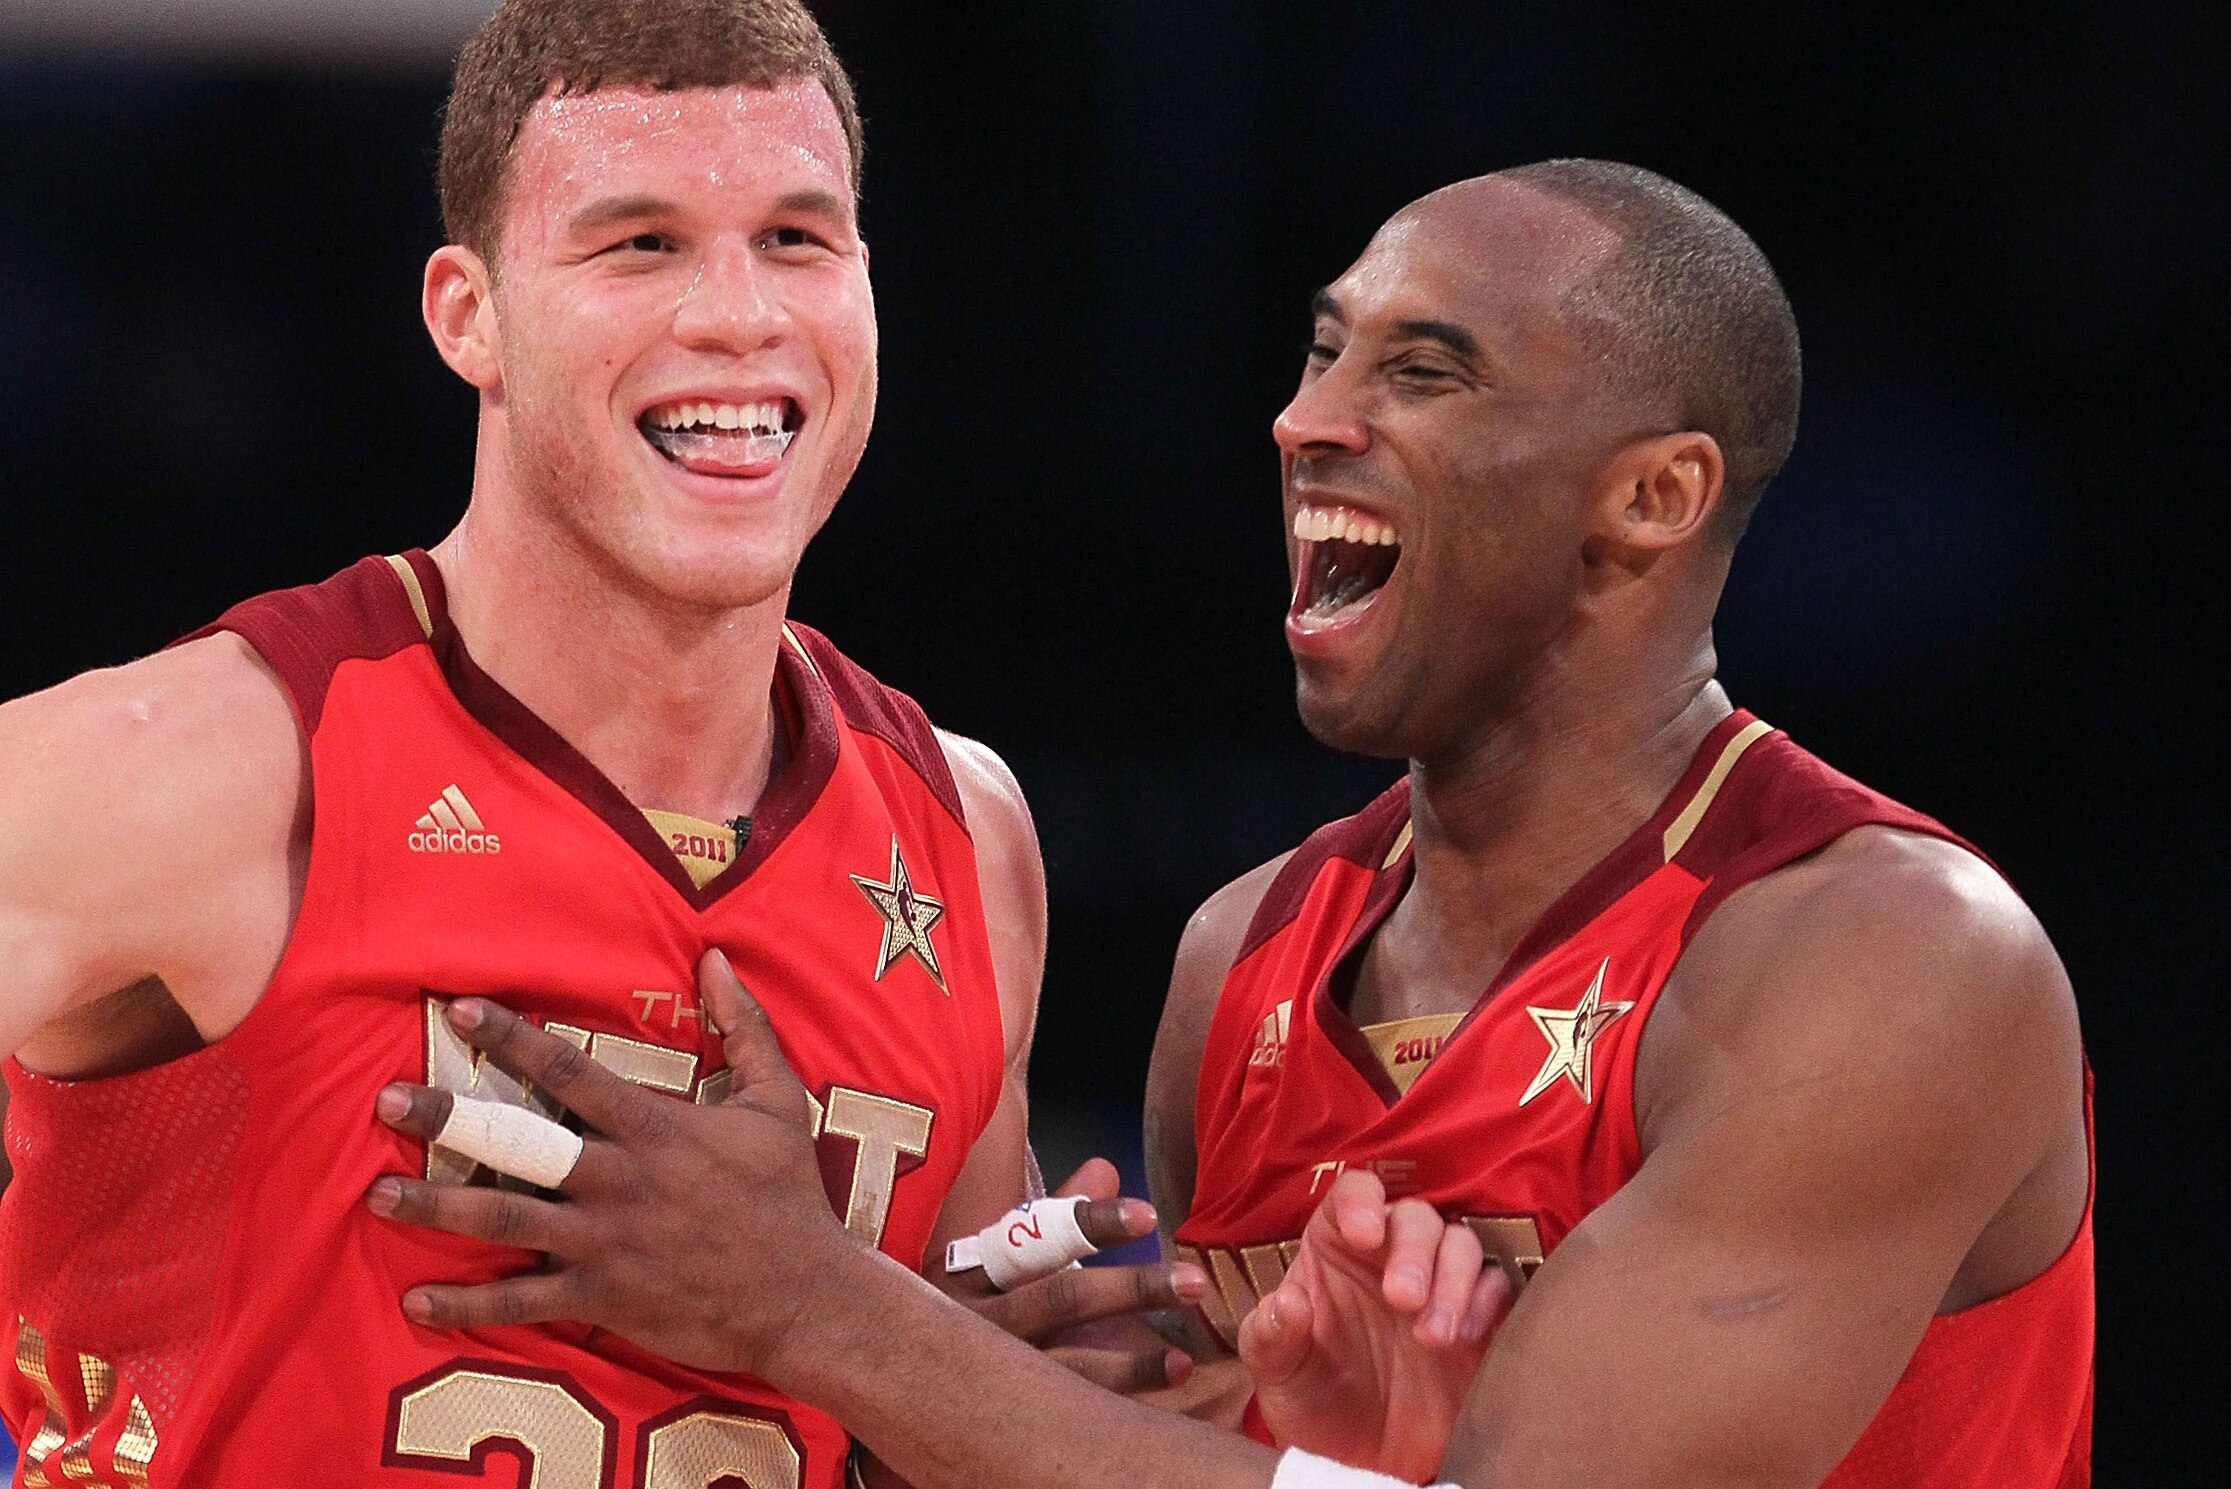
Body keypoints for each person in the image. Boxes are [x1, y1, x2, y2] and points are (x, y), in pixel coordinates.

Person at [368, 161, 2094, 1489]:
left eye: (1426, 371)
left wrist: (817, 1308)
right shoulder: (1244, 956)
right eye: (1324, 350)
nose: (1308, 419)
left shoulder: (1888, 961)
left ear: (1652, 497)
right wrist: (968, 1405)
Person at [0, 1, 1296, 1481]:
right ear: (467, 314)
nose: (738, 313)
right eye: (641, 244)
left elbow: (923, 1422)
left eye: (796, 240)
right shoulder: (197, 766)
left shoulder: (965, 834)